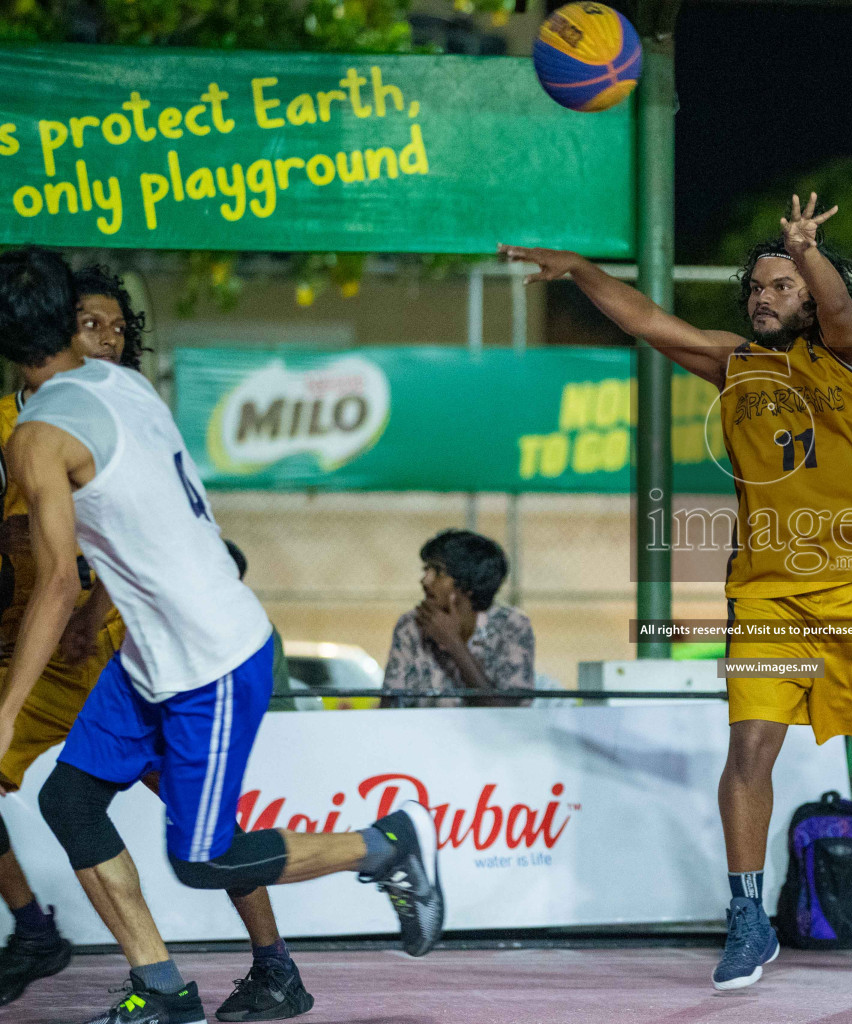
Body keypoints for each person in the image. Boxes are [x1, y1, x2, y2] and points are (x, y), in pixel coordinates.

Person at [502, 194, 852, 991]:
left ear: (810, 297)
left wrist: (806, 251)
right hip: (766, 602)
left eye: (781, 286)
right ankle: (748, 916)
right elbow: (650, 323)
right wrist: (580, 270)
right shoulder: (735, 362)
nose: (764, 297)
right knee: (750, 751)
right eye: (757, 287)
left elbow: (844, 307)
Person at [0, 248, 445, 1024]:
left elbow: (60, 584)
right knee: (70, 800)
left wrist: (5, 710)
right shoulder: (122, 383)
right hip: (155, 648)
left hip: (209, 658)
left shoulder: (37, 435)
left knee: (203, 858)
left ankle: (387, 843)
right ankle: (164, 991)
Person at [0, 269, 311, 1019]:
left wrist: (82, 596)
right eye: (91, 324)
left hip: (116, 640)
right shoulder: (24, 423)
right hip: (38, 652)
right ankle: (42, 930)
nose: (107, 338)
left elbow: (125, 543)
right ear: (56, 329)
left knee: (203, 838)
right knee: (71, 803)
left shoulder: (103, 405)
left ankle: (274, 960)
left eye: (116, 327)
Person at [382, 529, 535, 708]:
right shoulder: (410, 625)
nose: (425, 580)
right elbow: (389, 708)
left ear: (469, 583)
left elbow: (508, 715)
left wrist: (454, 644)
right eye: (426, 569)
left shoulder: (512, 626)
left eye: (438, 572)